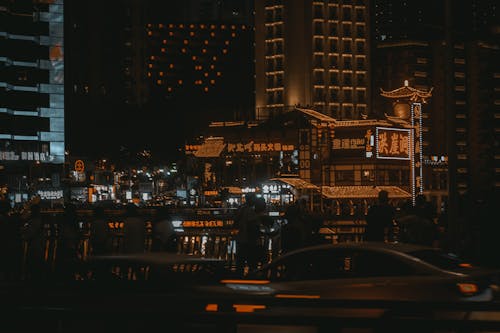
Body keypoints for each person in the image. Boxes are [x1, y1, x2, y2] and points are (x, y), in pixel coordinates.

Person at [233, 193, 258, 276]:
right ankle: (251, 276)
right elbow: (252, 226)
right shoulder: (250, 211)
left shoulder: (241, 208)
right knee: (251, 260)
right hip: (248, 239)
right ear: (250, 199)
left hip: (240, 238)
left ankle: (239, 275)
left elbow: (235, 222)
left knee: (240, 260)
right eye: (254, 199)